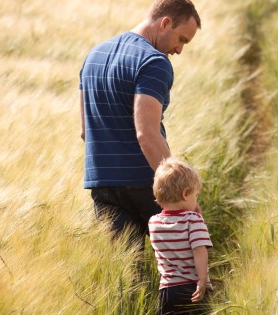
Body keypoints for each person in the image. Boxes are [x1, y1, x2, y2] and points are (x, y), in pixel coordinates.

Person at [78, 0, 201, 250]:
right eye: (182, 39)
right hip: (145, 180)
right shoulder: (153, 62)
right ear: (165, 23)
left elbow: (84, 132)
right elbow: (146, 134)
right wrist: (179, 190)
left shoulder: (94, 55)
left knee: (126, 270)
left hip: (102, 182)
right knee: (183, 263)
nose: (179, 50)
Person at [149, 157, 213, 314]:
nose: (196, 200)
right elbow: (199, 251)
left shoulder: (153, 222)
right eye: (195, 195)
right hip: (192, 288)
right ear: (185, 194)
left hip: (167, 291)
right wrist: (202, 280)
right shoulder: (193, 219)